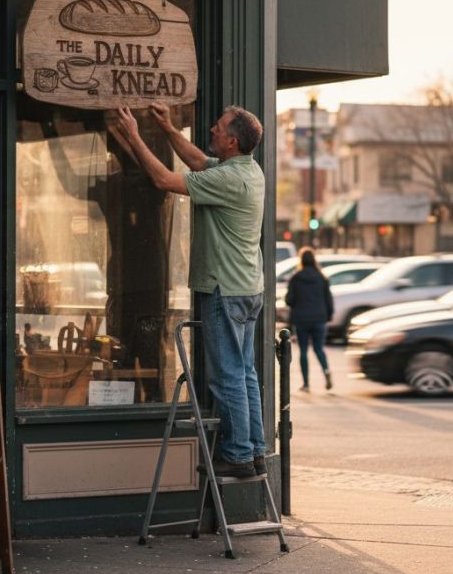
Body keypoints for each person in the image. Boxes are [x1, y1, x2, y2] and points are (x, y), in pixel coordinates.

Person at [115, 102, 266, 479]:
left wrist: (134, 136)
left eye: (217, 127)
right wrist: (167, 129)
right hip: (247, 288)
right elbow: (199, 162)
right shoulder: (245, 169)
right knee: (244, 372)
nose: (211, 130)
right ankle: (255, 450)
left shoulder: (230, 179)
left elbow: (165, 180)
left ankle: (238, 455)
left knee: (227, 375)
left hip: (224, 289)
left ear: (231, 141)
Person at [285, 248, 333, 392]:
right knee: (319, 349)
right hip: (319, 318)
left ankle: (306, 384)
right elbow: (328, 300)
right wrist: (328, 316)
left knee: (303, 351)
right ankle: (326, 371)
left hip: (301, 319)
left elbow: (289, 300)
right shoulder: (322, 277)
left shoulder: (296, 278)